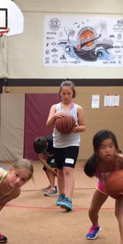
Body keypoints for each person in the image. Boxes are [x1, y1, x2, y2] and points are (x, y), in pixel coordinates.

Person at [46, 80, 86, 211]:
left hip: (72, 144)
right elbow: (48, 124)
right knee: (60, 171)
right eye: (63, 93)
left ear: (73, 94)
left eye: (69, 93)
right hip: (58, 144)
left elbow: (84, 126)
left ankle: (68, 198)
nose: (66, 96)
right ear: (60, 94)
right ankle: (61, 195)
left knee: (68, 169)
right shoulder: (54, 107)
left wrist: (76, 128)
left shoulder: (78, 109)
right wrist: (55, 116)